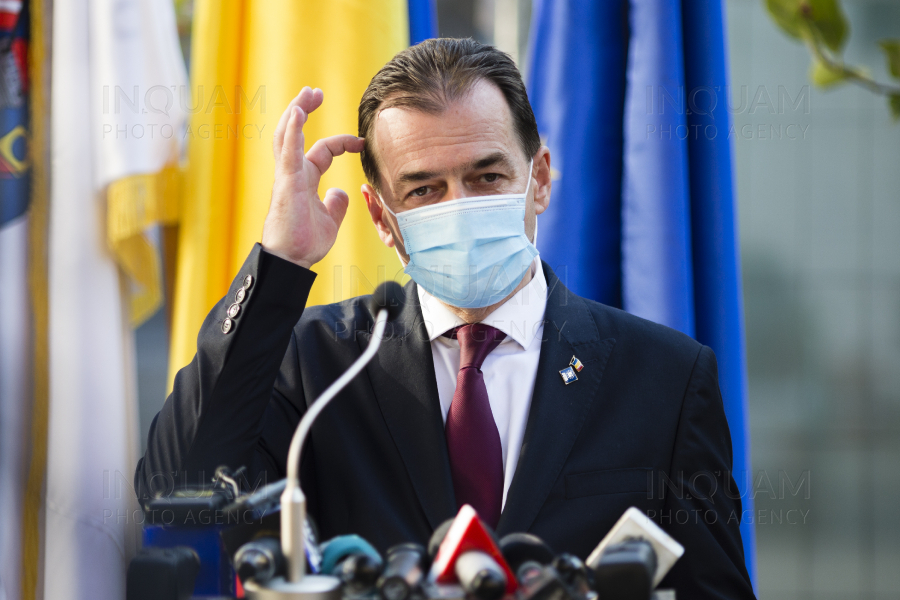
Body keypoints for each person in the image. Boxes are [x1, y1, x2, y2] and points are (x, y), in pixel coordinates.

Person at [136, 38, 755, 598]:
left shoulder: (665, 377)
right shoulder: (315, 361)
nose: (460, 208)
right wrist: (280, 263)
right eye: (424, 190)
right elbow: (177, 489)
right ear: (381, 218)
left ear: (539, 179)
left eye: (487, 176)